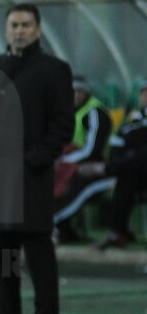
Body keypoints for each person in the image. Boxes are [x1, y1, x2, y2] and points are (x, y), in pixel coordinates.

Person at [0, 4, 74, 314]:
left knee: (38, 252)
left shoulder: (54, 70)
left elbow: (63, 126)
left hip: (30, 177)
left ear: (38, 30)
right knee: (3, 252)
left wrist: (34, 161)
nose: (19, 31)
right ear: (6, 29)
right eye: (14, 25)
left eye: (26, 25)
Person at [53, 75, 114, 240]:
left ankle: (53, 222)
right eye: (72, 91)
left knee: (79, 184)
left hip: (99, 164)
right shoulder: (67, 112)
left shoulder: (95, 113)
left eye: (80, 91)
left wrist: (64, 161)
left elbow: (92, 150)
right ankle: (63, 229)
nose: (76, 95)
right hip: (73, 161)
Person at [89, 79, 147, 250]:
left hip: (134, 167)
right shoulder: (135, 118)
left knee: (126, 173)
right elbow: (118, 142)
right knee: (126, 178)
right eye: (144, 93)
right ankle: (117, 232)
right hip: (133, 169)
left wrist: (111, 167)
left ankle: (117, 232)